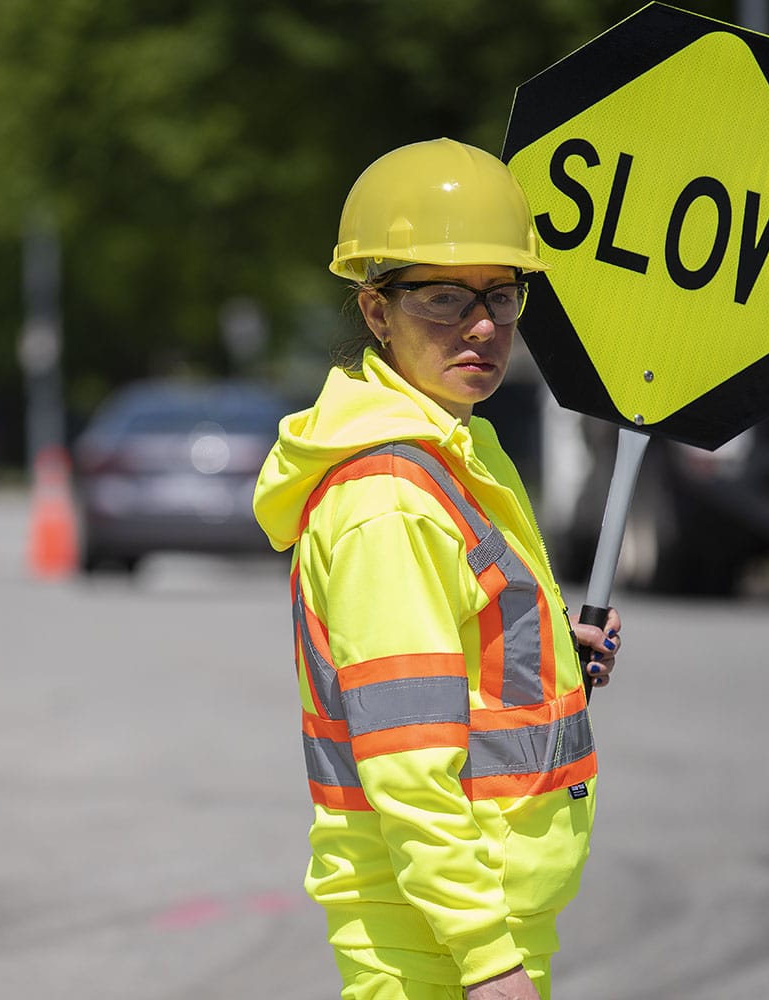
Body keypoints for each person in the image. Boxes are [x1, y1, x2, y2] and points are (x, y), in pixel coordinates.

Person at [253, 138, 622, 1000]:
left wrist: (553, 649)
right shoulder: (391, 495)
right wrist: (488, 962)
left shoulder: (457, 445)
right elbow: (406, 760)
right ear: (376, 311)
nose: (484, 324)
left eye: (502, 293)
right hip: (439, 945)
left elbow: (450, 652)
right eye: (444, 297)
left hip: (469, 926)